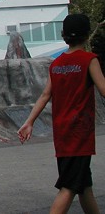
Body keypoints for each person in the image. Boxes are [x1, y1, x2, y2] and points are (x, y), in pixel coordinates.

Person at [18, 13, 105, 214]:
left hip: (63, 132)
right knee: (69, 187)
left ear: (63, 35)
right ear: (87, 34)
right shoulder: (89, 60)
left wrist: (29, 121)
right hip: (80, 133)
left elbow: (45, 95)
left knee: (83, 185)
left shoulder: (56, 64)